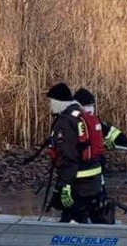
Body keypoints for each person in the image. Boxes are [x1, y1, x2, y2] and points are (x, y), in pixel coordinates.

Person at [43, 82, 111, 224]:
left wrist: (66, 184)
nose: (50, 106)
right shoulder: (82, 115)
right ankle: (103, 240)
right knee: (92, 217)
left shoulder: (65, 122)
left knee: (73, 221)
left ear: (58, 102)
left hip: (79, 183)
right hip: (95, 180)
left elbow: (68, 156)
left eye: (51, 102)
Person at [73, 87, 127, 155]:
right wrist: (102, 143)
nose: (90, 109)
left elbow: (111, 133)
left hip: (94, 161)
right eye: (87, 106)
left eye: (92, 106)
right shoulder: (72, 122)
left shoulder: (95, 122)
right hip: (79, 161)